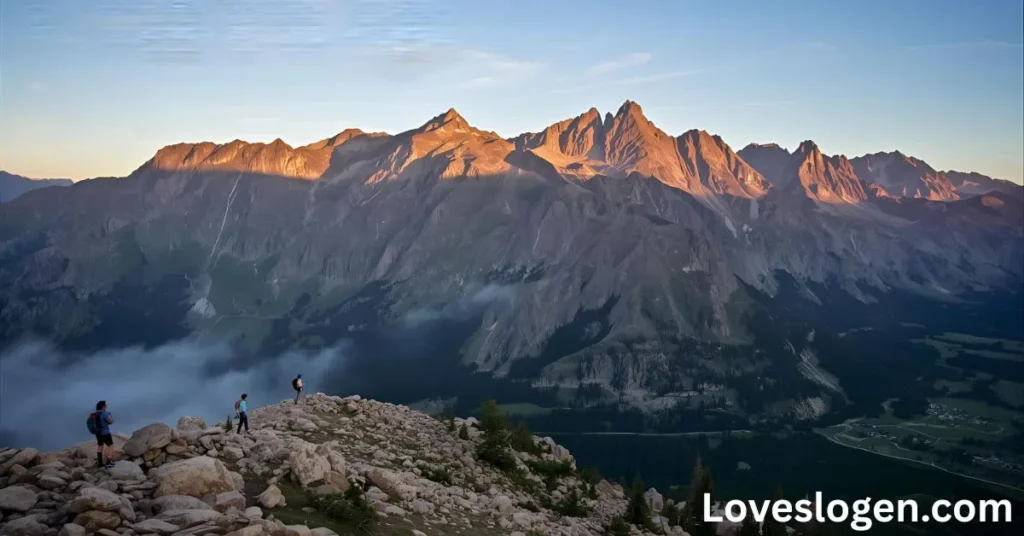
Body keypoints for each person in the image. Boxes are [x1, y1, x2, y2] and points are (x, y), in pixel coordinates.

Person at [91, 401, 115, 469]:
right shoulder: (104, 413)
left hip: (98, 433)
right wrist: (110, 415)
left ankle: (100, 463)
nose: (106, 406)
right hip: (105, 433)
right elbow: (111, 421)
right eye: (105, 405)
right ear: (103, 406)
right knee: (111, 446)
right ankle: (108, 462)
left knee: (100, 446)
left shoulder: (95, 414)